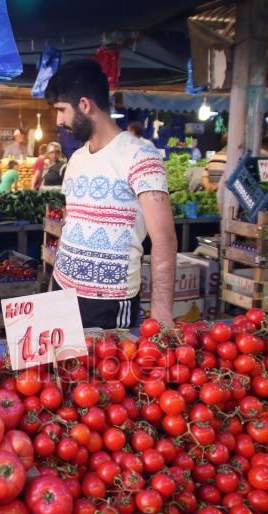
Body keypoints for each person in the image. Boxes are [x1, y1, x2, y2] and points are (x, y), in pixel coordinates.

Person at [44, 59, 176, 328]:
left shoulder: (140, 155)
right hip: (63, 291)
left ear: (84, 105)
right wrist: (52, 290)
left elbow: (164, 239)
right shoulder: (77, 159)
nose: (58, 121)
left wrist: (161, 311)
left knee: (104, 370)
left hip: (108, 303)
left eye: (61, 110)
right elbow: (70, 228)